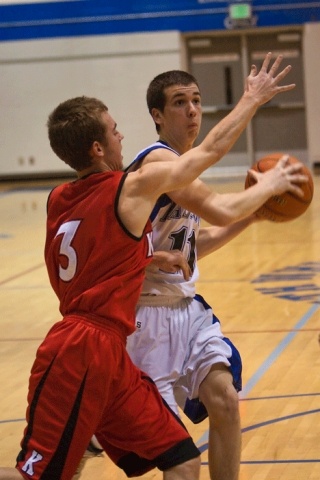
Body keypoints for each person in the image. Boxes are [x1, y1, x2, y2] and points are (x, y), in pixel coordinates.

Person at [0, 93, 268, 480]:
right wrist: (269, 166)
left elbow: (94, 255)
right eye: (113, 131)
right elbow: (207, 153)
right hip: (82, 349)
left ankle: (91, 439)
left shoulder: (59, 198)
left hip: (110, 354)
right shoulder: (125, 189)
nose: (121, 136)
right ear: (97, 148)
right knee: (35, 477)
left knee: (183, 459)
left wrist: (149, 257)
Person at [123, 54, 308, 480]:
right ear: (156, 114)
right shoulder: (157, 162)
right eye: (178, 102)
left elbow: (192, 247)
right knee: (172, 454)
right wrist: (251, 100)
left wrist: (253, 216)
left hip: (186, 310)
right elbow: (220, 207)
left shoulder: (181, 164)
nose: (191, 111)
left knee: (224, 398)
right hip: (144, 320)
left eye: (196, 101)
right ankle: (78, 442)